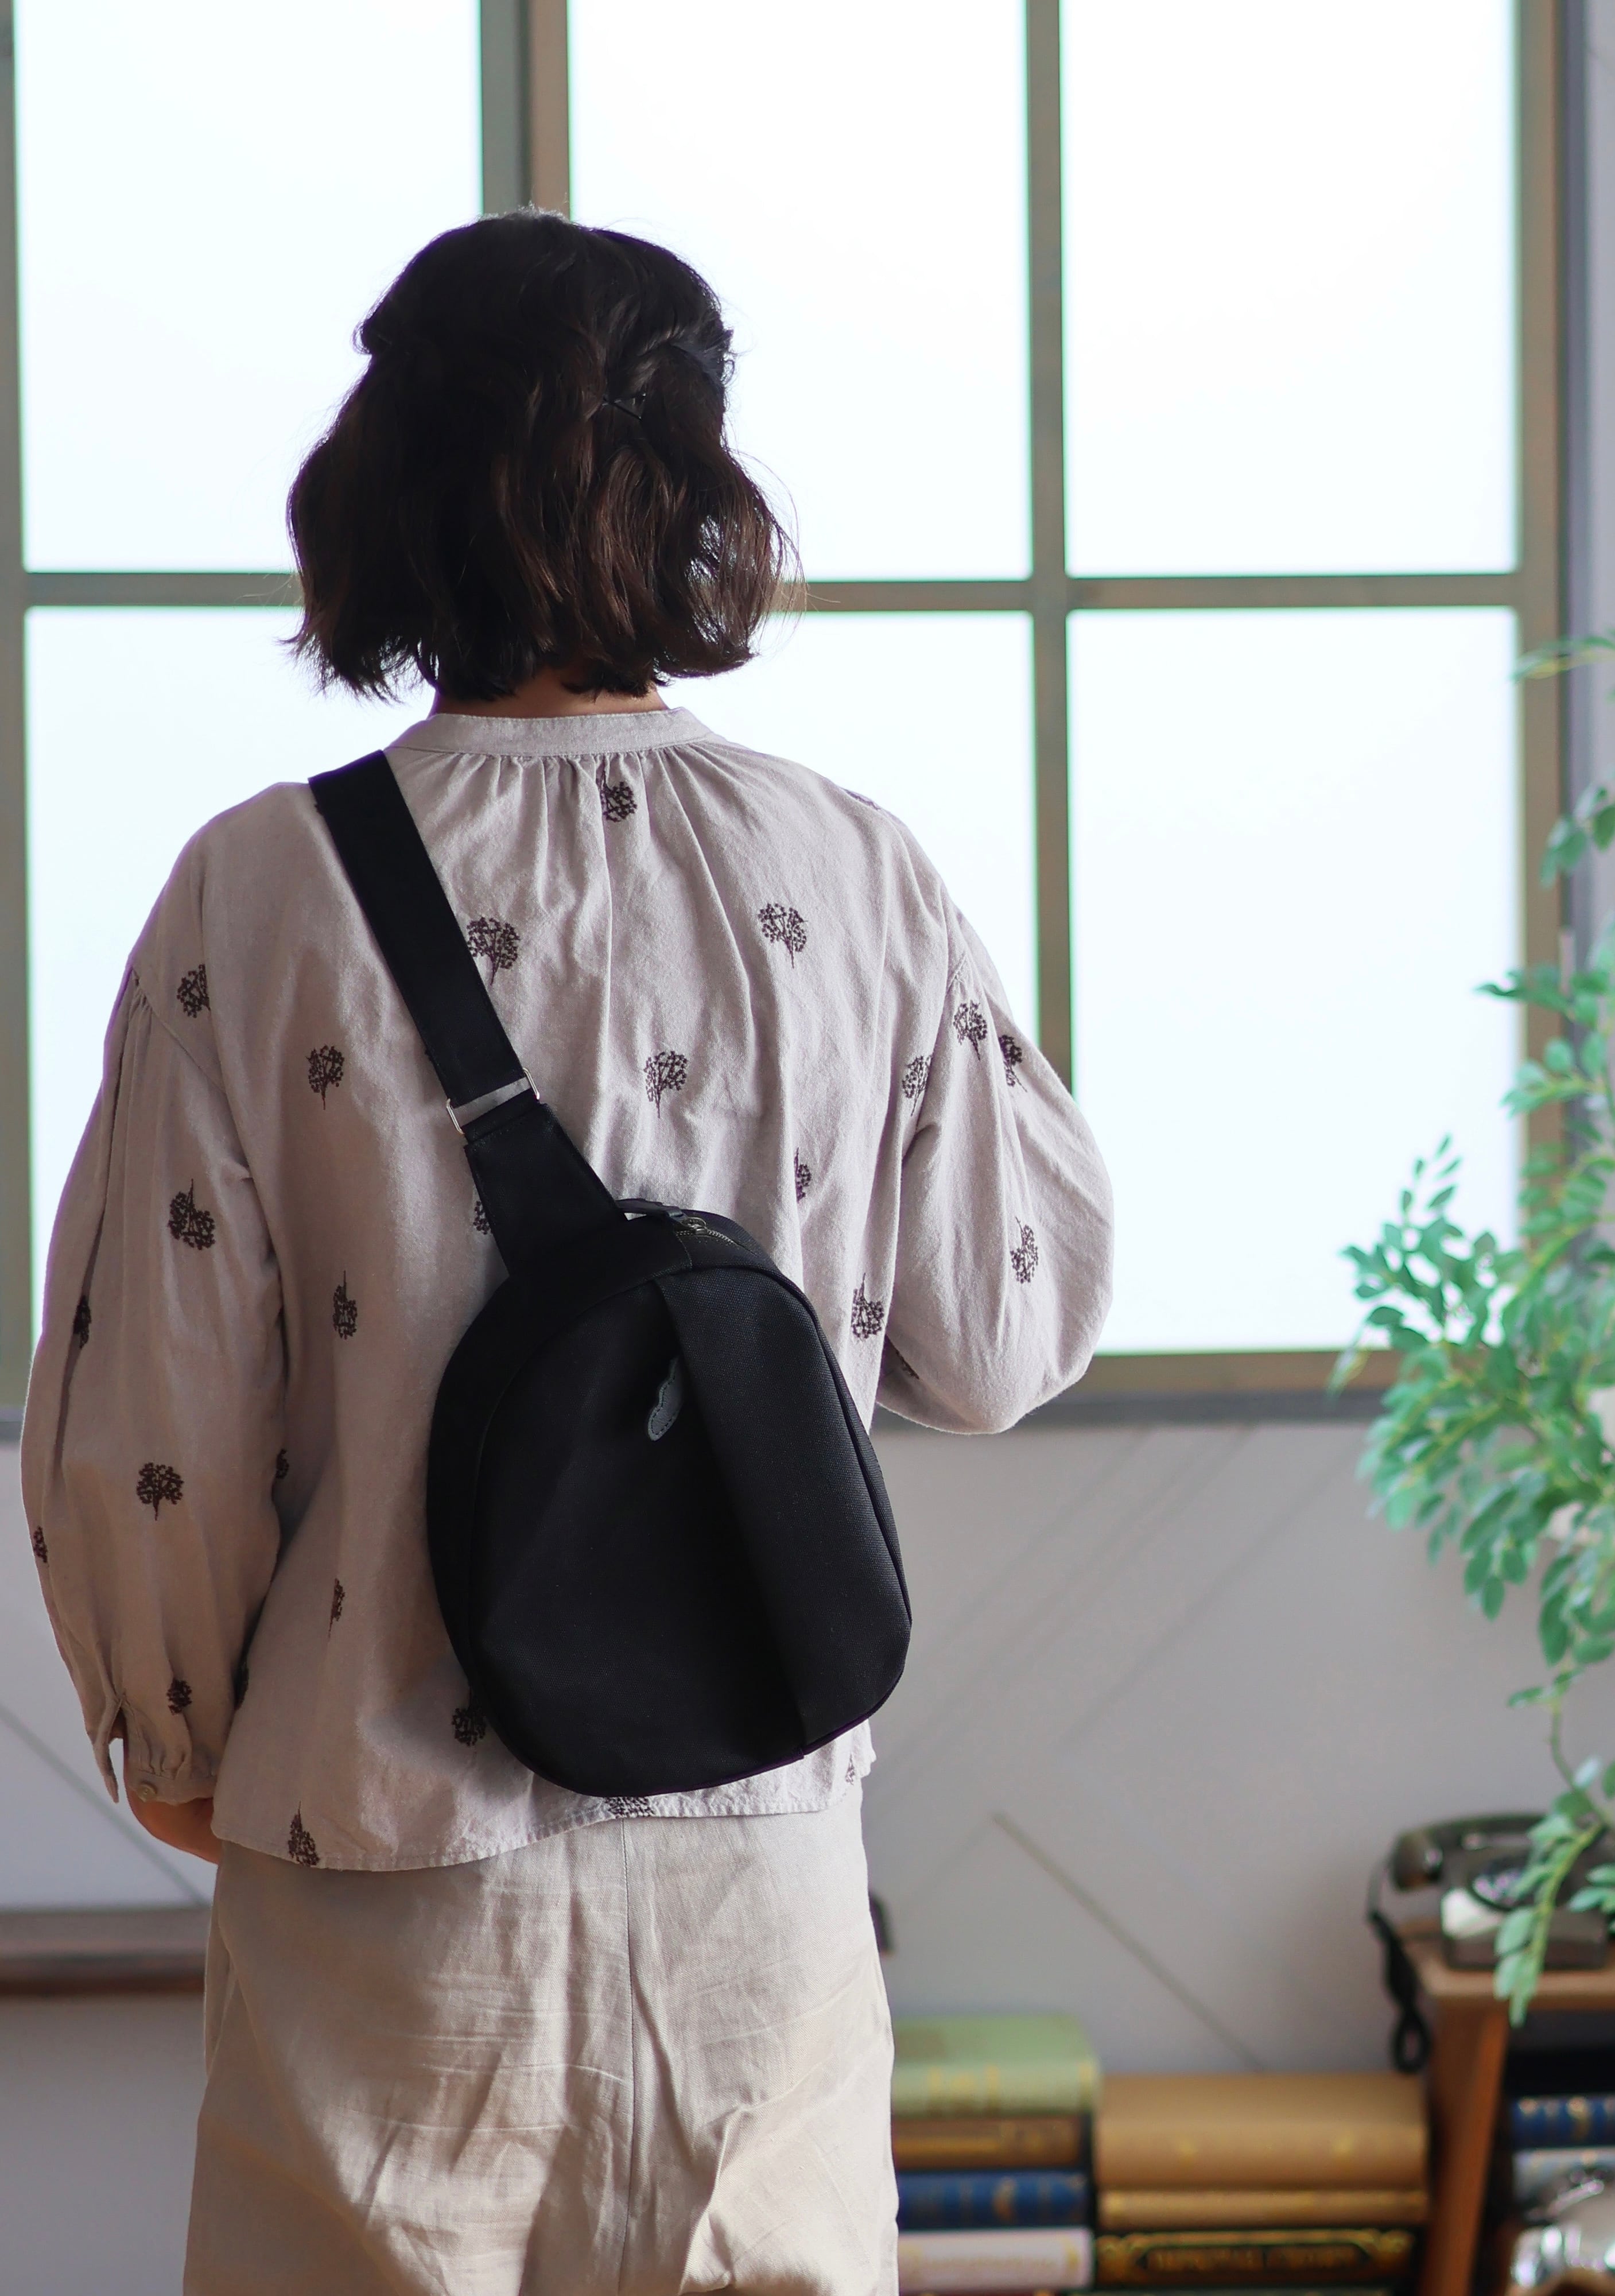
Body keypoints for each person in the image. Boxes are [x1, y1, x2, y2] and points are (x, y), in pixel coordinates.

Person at [21, 210, 1113, 2295]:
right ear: (698, 489)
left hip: (380, 1862)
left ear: (379, 486)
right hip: (759, 1851)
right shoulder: (853, 867)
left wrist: (175, 1737)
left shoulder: (261, 889)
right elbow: (1006, 1329)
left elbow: (147, 1413)